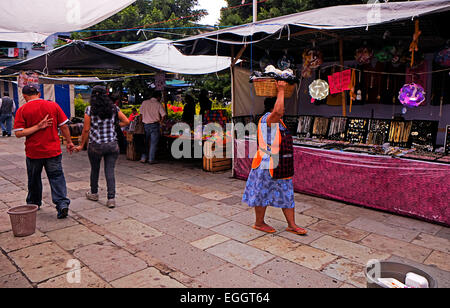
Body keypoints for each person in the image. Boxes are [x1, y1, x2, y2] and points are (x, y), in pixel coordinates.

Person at [242, 81, 307, 235]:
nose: (284, 108)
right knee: (262, 192)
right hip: (266, 164)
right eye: (281, 104)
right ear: (275, 105)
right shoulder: (267, 118)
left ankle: (292, 224)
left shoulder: (280, 121)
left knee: (287, 193)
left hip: (281, 164)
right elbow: (277, 112)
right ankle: (259, 223)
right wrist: (281, 90)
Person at [13, 85, 74, 219]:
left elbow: (18, 133)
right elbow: (63, 126)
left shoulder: (22, 110)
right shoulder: (53, 106)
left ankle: (34, 203)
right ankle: (62, 204)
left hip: (33, 152)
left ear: (24, 96)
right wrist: (69, 142)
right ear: (39, 93)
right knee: (57, 177)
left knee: (34, 179)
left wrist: (35, 127)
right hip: (53, 151)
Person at [74, 86, 129, 208]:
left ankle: (94, 193)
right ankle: (111, 199)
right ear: (106, 95)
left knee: (95, 169)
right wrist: (114, 125)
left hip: (95, 146)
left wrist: (81, 145)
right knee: (110, 171)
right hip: (112, 144)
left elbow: (86, 129)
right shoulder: (114, 108)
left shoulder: (89, 109)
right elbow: (126, 121)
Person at [139, 90, 166, 164]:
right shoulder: (158, 104)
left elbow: (140, 114)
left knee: (145, 142)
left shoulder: (144, 102)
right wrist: (161, 121)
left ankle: (143, 158)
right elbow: (163, 115)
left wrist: (140, 123)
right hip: (154, 125)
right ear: (158, 97)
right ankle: (151, 159)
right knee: (153, 143)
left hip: (145, 125)